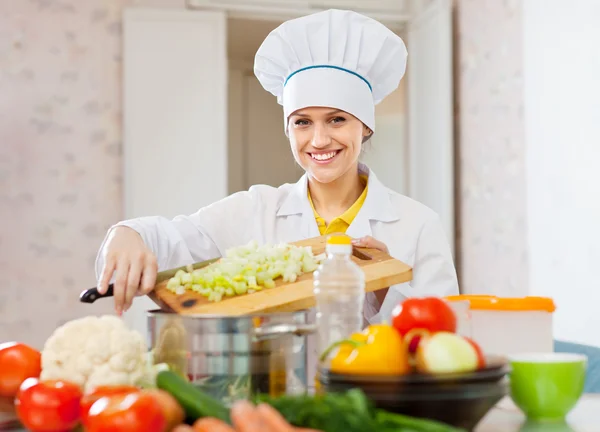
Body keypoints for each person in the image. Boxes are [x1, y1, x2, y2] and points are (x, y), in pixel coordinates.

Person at [95, 9, 459, 324]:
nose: (318, 140)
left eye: (336, 120)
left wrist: (382, 285)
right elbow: (174, 240)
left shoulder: (417, 225)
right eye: (302, 122)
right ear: (288, 128)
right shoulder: (255, 210)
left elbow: (445, 340)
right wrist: (127, 233)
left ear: (364, 126)